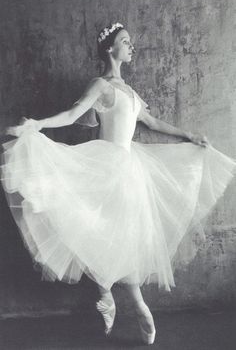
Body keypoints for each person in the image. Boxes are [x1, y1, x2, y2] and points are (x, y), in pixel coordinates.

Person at [1, 22, 236, 345]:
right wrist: (38, 125)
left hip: (130, 168)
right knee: (94, 228)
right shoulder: (101, 85)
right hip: (103, 164)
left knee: (122, 237)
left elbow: (151, 122)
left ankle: (117, 297)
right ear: (110, 48)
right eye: (125, 42)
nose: (131, 47)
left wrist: (189, 135)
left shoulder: (131, 91)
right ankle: (117, 297)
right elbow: (73, 115)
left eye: (131, 43)